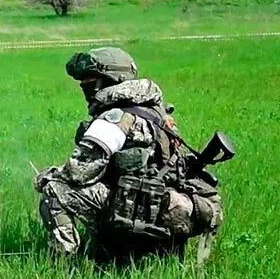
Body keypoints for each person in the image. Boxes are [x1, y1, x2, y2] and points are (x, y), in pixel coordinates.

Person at [35, 47, 227, 264]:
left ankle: (62, 263)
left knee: (54, 188)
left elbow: (79, 172)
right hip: (170, 210)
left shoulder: (115, 118)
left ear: (106, 81)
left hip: (141, 212)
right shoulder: (157, 111)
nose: (85, 90)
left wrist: (50, 174)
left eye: (88, 84)